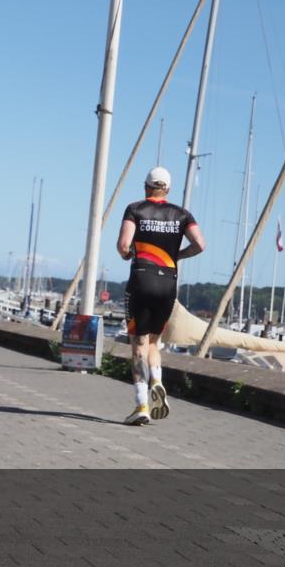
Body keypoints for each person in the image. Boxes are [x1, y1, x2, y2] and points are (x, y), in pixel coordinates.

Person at [116, 166, 205, 426]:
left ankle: (141, 404)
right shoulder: (182, 214)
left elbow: (123, 245)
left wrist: (126, 255)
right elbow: (200, 244)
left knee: (138, 345)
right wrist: (177, 255)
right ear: (167, 189)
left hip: (141, 279)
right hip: (168, 282)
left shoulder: (135, 209)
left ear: (146, 187)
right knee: (154, 342)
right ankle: (157, 380)